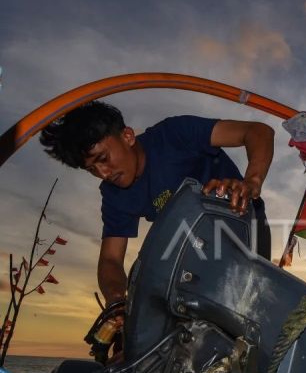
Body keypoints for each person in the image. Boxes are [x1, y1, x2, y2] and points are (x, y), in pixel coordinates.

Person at [39, 101, 275, 311]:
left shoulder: (174, 135)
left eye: (103, 159)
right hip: (194, 254)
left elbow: (257, 131)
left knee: (249, 311)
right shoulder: (114, 194)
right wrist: (118, 303)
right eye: (92, 169)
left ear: (128, 137)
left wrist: (251, 181)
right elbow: (111, 259)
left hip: (245, 229)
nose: (103, 173)